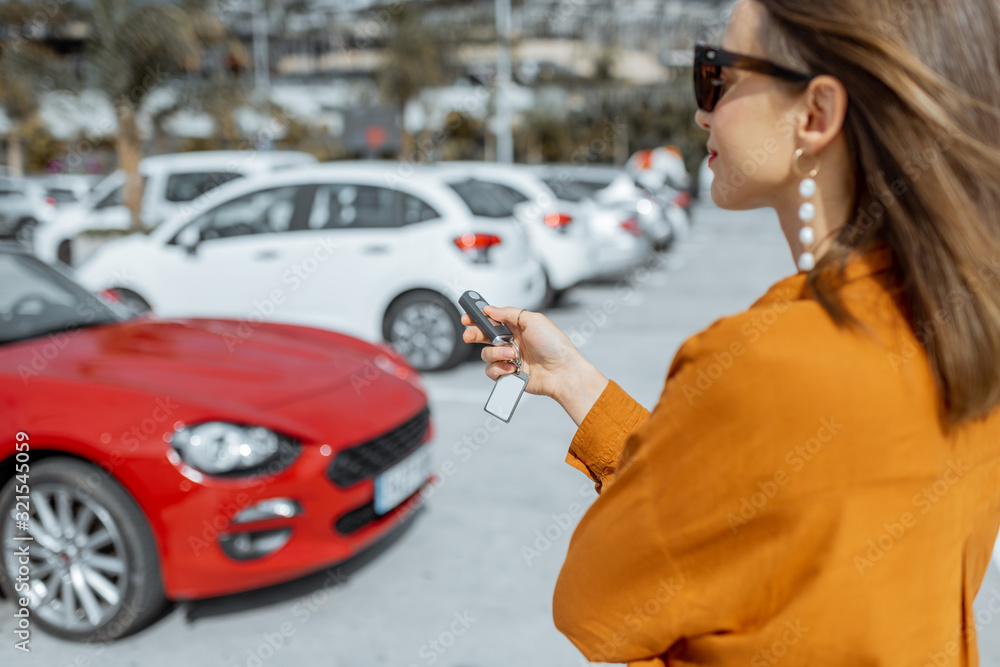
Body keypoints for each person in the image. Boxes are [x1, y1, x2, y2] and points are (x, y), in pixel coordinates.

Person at [460, 0, 1000, 664]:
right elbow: (741, 497)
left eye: (716, 75)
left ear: (816, 114)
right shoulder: (967, 322)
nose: (702, 110)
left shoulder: (770, 361)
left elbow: (594, 608)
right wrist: (578, 384)